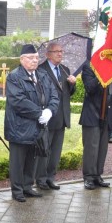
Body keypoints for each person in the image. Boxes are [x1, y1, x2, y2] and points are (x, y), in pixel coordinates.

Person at [4, 44, 58, 201]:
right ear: (22, 59)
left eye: (36, 57)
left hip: (38, 127)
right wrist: (39, 113)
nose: (34, 60)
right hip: (20, 127)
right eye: (30, 58)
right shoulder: (14, 77)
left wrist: (50, 111)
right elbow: (18, 101)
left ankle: (28, 186)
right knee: (18, 161)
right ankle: (17, 190)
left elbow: (54, 95)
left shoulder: (42, 75)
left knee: (32, 159)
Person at [35, 42, 77, 191]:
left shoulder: (65, 70)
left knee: (56, 151)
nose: (60, 54)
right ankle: (40, 178)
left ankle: (50, 177)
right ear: (48, 54)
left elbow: (68, 93)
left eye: (61, 51)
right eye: (56, 51)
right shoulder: (41, 70)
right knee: (44, 150)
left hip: (62, 117)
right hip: (48, 116)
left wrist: (72, 84)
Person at [79, 63, 112, 190]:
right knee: (91, 148)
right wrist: (102, 75)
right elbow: (89, 87)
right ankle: (89, 177)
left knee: (102, 148)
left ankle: (97, 175)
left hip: (107, 113)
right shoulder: (89, 67)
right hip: (92, 113)